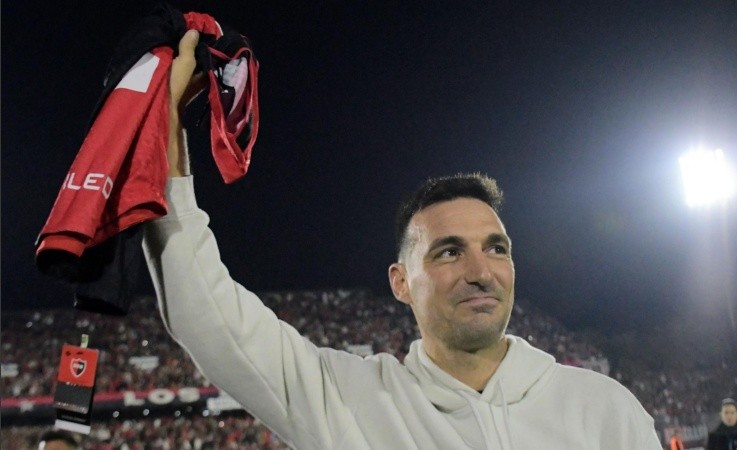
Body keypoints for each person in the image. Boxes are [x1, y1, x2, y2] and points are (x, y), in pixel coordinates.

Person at [142, 29, 662, 449]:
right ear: (401, 282)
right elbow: (205, 312)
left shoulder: (605, 410)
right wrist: (164, 124)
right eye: (449, 251)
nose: (481, 272)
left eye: (496, 248)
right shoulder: (350, 400)